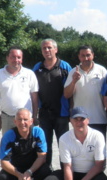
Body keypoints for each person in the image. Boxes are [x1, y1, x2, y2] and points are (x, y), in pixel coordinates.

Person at [42, 107, 107, 180]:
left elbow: (99, 165)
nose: (79, 122)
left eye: (82, 119)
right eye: (76, 119)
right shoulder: (64, 138)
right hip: (72, 172)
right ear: (70, 120)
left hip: (90, 174)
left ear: (88, 120)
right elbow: (67, 167)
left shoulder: (97, 136)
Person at [0, 108, 51, 180]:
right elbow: (4, 161)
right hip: (17, 167)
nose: (22, 123)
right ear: (15, 121)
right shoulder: (9, 135)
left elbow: (42, 157)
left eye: (25, 119)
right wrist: (19, 175)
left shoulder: (38, 132)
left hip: (34, 167)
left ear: (31, 121)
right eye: (19, 120)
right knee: (2, 179)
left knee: (46, 172)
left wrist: (29, 172)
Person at [33, 39, 72, 168]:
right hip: (44, 114)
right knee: (45, 145)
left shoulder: (65, 67)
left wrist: (71, 111)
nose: (47, 50)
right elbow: (34, 92)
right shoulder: (37, 67)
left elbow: (72, 91)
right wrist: (35, 112)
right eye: (44, 48)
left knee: (64, 145)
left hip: (62, 113)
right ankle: (46, 172)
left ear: (56, 49)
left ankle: (65, 173)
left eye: (49, 47)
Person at [0, 46, 39, 135]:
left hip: (26, 119)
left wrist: (34, 116)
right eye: (13, 57)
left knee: (27, 146)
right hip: (7, 118)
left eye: (19, 57)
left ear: (22, 59)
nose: (16, 60)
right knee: (9, 146)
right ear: (7, 58)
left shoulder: (29, 74)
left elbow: (34, 98)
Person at [64, 45, 107, 139]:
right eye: (83, 55)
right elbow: (66, 95)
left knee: (99, 151)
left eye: (88, 55)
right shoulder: (73, 72)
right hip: (79, 120)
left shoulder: (102, 71)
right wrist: (73, 81)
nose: (86, 58)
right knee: (81, 150)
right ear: (79, 57)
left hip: (99, 118)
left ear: (93, 55)